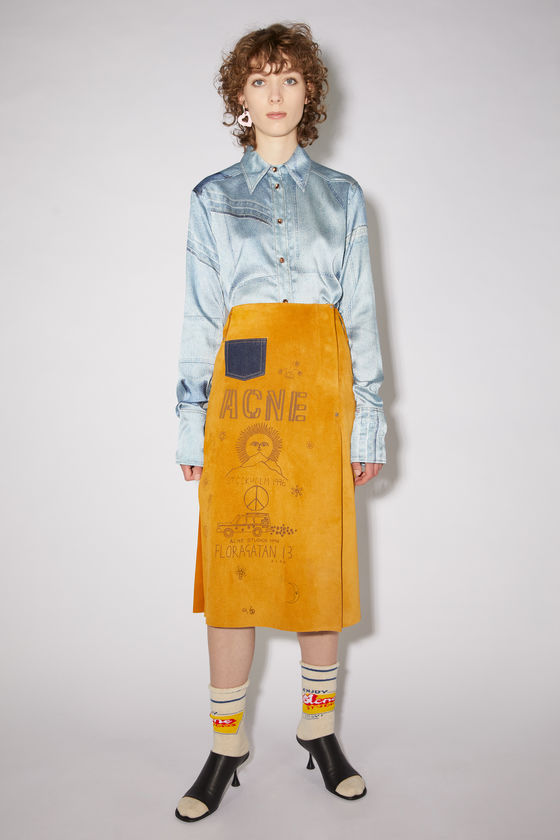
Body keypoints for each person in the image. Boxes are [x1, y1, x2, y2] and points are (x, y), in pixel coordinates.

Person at [174, 22, 387, 822]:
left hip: (322, 397)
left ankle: (318, 730)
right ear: (239, 95)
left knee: (318, 569)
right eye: (260, 79)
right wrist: (191, 423)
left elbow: (360, 317)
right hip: (243, 399)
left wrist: (369, 423)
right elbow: (202, 318)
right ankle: (226, 743)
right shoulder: (210, 198)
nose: (275, 94)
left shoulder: (343, 196)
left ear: (309, 93)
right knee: (235, 567)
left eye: (290, 78)